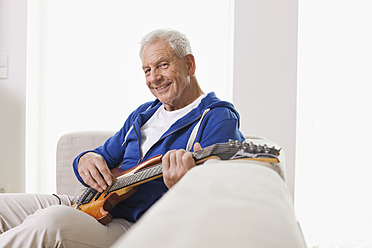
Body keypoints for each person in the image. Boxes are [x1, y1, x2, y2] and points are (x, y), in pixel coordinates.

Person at [0, 29, 244, 247]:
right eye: (147, 70)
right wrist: (86, 158)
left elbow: (219, 195)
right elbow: (101, 155)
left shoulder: (218, 118)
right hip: (90, 207)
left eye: (162, 65)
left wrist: (184, 187)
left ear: (189, 65)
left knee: (50, 221)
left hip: (134, 226)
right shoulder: (144, 114)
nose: (153, 78)